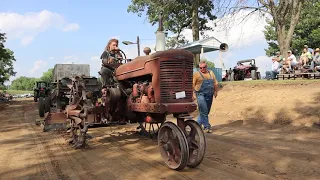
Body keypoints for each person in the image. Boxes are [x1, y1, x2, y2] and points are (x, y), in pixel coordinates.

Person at [192, 61, 218, 133]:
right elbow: (192, 85)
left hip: (210, 94)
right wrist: (192, 94)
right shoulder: (196, 74)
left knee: (206, 111)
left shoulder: (211, 73)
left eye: (204, 67)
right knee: (204, 110)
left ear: (206, 67)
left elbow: (215, 82)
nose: (202, 69)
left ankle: (196, 125)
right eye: (201, 68)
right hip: (200, 94)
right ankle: (207, 127)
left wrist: (216, 91)